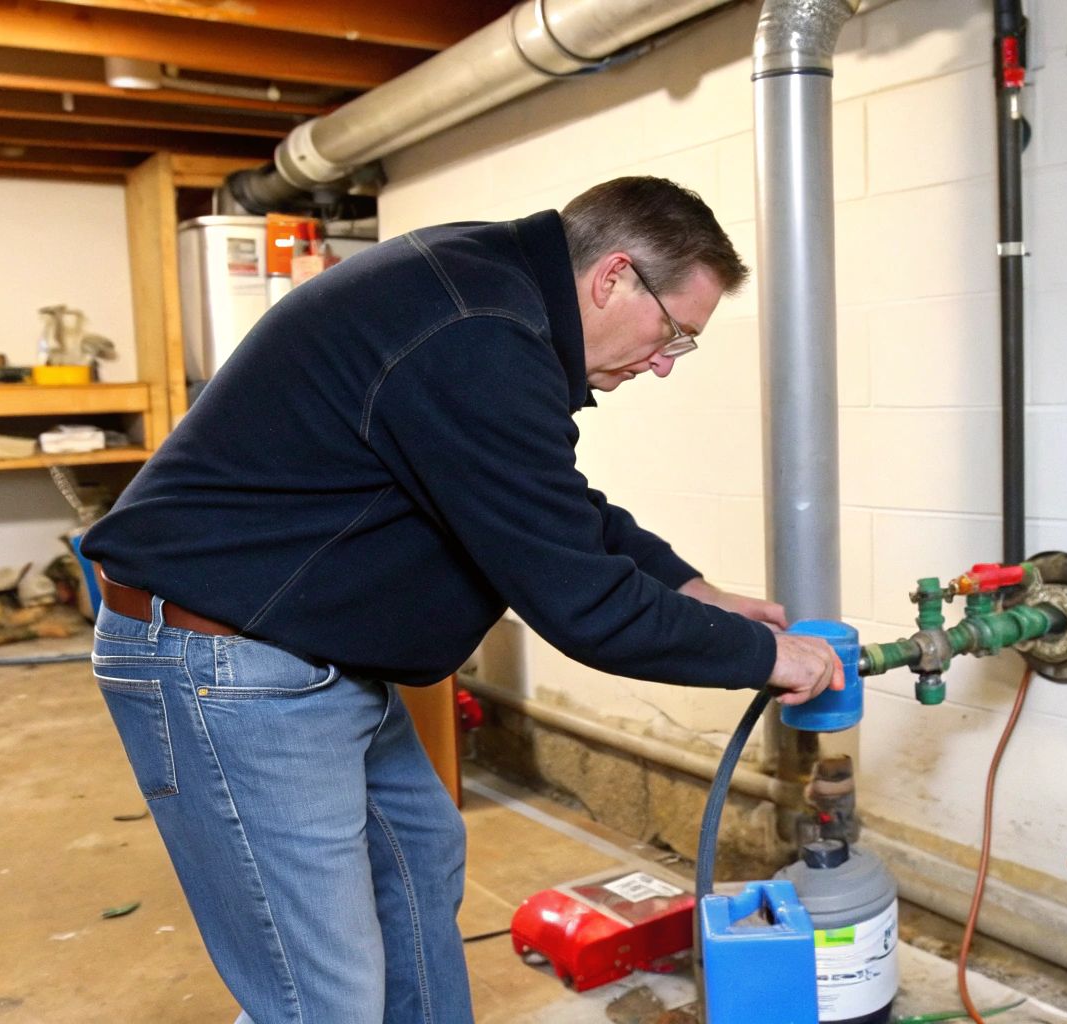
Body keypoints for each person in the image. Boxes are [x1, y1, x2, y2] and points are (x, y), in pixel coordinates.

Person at [80, 176, 840, 1023]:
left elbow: (551, 501)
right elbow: (581, 601)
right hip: (226, 665)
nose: (664, 361)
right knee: (319, 990)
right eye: (674, 333)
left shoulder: (495, 292)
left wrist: (693, 589)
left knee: (416, 872)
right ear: (613, 276)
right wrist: (768, 656)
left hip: (312, 655)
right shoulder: (475, 330)